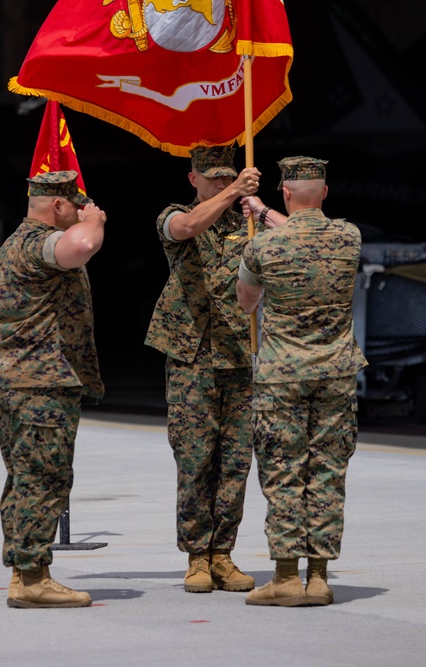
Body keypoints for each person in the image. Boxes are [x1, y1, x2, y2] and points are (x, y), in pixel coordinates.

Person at [237, 156, 367, 607]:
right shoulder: (350, 237)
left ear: (286, 193)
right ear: (325, 192)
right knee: (328, 474)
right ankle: (320, 577)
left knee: (284, 472)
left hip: (281, 377)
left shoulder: (262, 249)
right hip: (336, 373)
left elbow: (246, 300)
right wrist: (265, 213)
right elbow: (309, 230)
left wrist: (261, 217)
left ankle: (286, 577)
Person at [144, 145, 263, 594]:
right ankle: (196, 554)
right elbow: (188, 227)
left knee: (235, 461)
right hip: (191, 353)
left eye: (227, 176)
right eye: (212, 177)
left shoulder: (249, 222)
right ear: (193, 179)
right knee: (195, 458)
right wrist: (233, 190)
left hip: (240, 353)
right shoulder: (175, 215)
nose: (220, 182)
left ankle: (223, 554)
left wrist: (262, 209)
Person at [0, 170, 107, 608]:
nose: (80, 211)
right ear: (57, 206)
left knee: (24, 478)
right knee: (44, 478)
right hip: (40, 384)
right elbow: (81, 247)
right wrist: (94, 222)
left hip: (16, 377)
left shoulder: (8, 248)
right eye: (75, 205)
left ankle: (24, 572)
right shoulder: (37, 242)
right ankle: (34, 579)